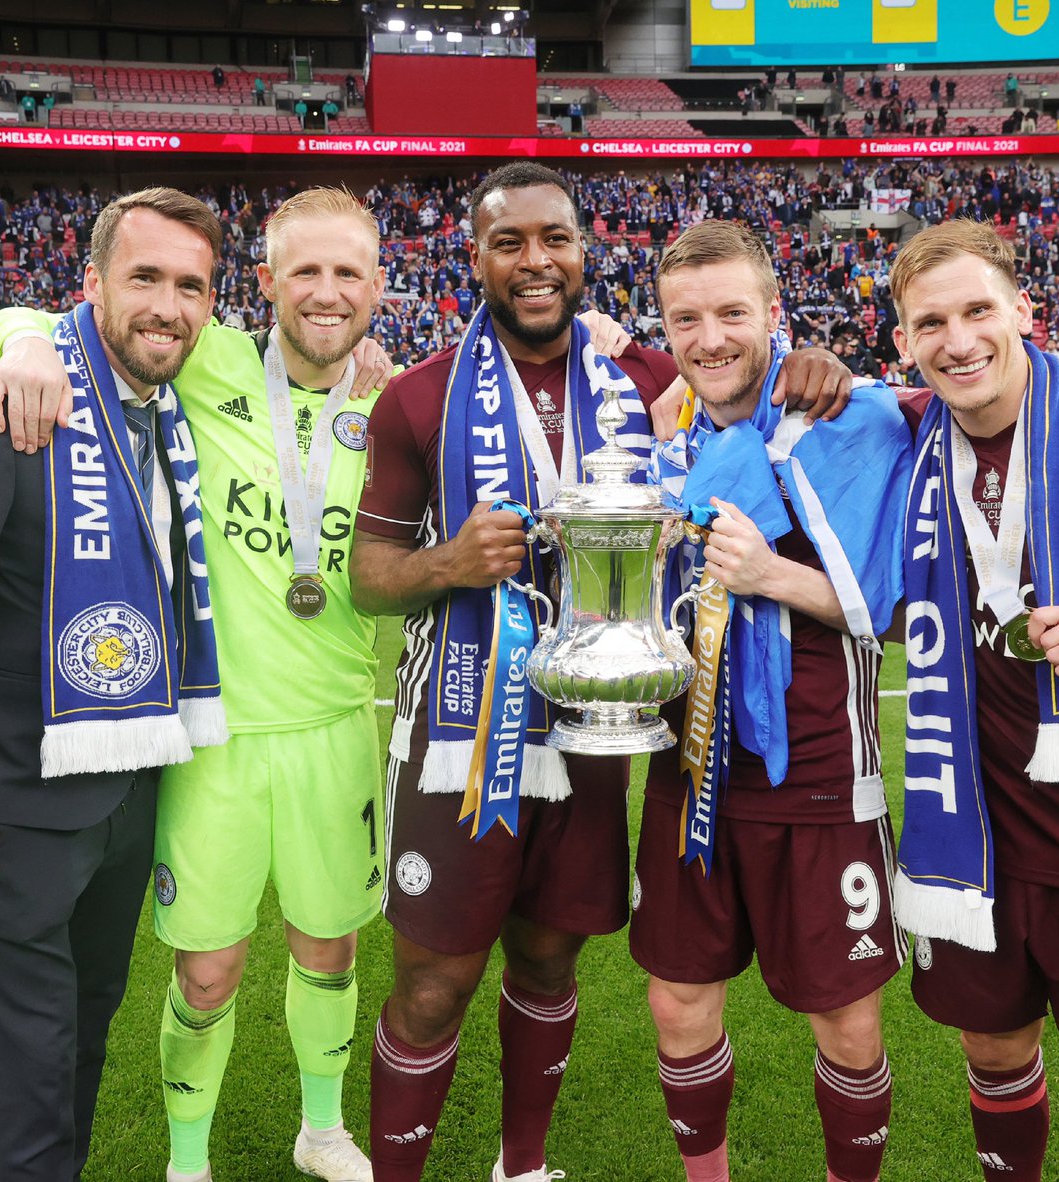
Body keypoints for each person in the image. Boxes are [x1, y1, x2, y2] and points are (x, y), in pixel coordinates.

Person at [349, 161, 850, 1182]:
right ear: (475, 259)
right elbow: (367, 576)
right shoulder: (419, 396)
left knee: (547, 955)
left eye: (555, 241)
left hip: (596, 728)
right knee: (435, 982)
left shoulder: (653, 385)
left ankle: (519, 1165)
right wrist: (449, 562)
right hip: (460, 731)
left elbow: (750, 387)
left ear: (585, 253)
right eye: (509, 243)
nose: (536, 263)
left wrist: (816, 362)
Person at [0, 186, 401, 1182]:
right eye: (306, 270)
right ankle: (187, 1157)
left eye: (349, 272)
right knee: (207, 971)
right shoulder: (206, 360)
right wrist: (28, 341)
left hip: (337, 729)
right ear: (264, 284)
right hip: (212, 740)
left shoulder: (396, 399)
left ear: (380, 285)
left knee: (329, 950)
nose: (328, 292)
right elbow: (58, 319)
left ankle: (323, 1128)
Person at [0, 187, 227, 1182]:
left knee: (80, 1049)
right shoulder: (2, 412)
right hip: (14, 813)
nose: (168, 306)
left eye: (191, 286)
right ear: (93, 284)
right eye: (145, 278)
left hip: (128, 801)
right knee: (28, 1077)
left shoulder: (176, 423)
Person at [631, 220, 912, 1182]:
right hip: (690, 761)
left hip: (821, 766)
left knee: (844, 1015)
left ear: (775, 314)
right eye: (687, 320)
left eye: (732, 314)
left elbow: (891, 610)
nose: (710, 339)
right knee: (678, 1000)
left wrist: (772, 578)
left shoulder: (854, 419)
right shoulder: (664, 434)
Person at [889, 220, 1059, 1182]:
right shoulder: (905, 435)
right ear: (905, 342)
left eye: (978, 310)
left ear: (1025, 313)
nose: (958, 340)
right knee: (993, 1055)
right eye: (930, 322)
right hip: (971, 822)